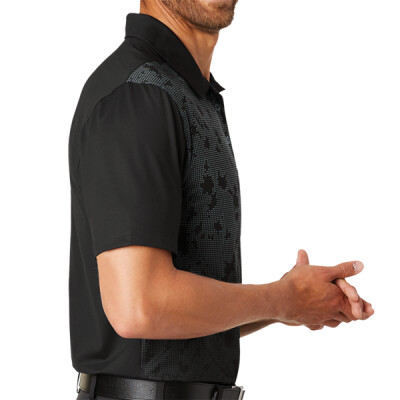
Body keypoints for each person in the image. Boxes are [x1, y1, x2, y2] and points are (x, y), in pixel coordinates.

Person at [68, 1, 374, 399]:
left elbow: (168, 325)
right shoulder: (139, 94)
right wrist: (281, 300)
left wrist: (289, 302)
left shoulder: (185, 92)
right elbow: (138, 306)